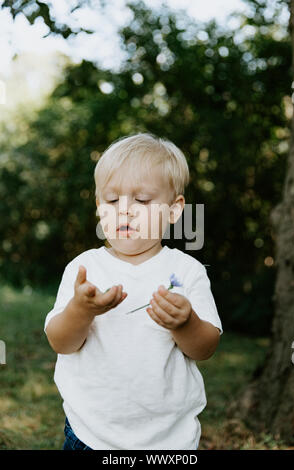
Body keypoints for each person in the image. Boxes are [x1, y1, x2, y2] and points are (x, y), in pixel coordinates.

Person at [44, 132, 223, 450]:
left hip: (169, 440)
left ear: (173, 210)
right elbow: (61, 342)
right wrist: (80, 311)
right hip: (91, 434)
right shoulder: (84, 269)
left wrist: (186, 323)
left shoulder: (185, 272)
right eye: (112, 200)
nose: (124, 210)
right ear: (100, 207)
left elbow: (205, 348)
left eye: (141, 200)